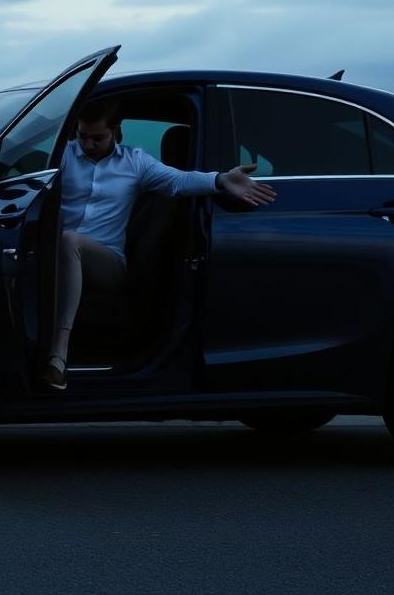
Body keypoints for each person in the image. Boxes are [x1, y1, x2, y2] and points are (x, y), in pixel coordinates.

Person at [41, 96, 277, 390]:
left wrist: (219, 179)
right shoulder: (62, 157)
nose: (89, 145)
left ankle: (58, 355)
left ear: (116, 131)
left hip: (108, 263)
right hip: (56, 259)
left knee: (70, 240)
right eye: (83, 137)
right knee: (55, 247)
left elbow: (178, 181)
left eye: (98, 138)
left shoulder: (134, 161)